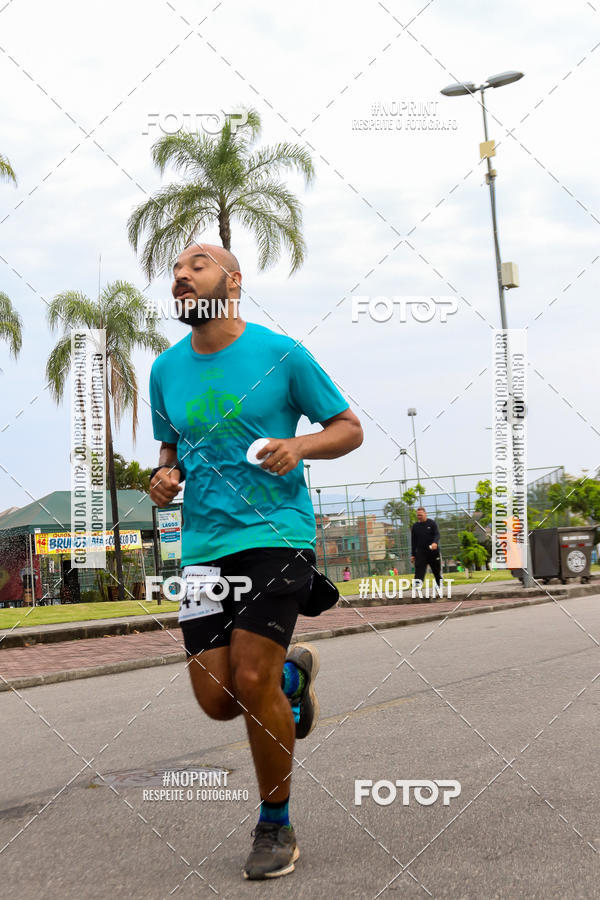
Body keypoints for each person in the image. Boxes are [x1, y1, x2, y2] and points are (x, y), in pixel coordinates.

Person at [149, 242, 363, 881]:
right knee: (217, 699)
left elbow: (347, 428)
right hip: (203, 548)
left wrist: (300, 446)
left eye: (197, 265)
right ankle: (291, 681)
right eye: (177, 271)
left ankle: (276, 826)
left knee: (247, 679)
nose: (183, 276)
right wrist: (163, 479)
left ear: (232, 282)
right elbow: (171, 452)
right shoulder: (164, 369)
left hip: (275, 532)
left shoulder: (281, 354)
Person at [410, 506, 442, 592]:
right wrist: (413, 554)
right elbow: (413, 541)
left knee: (436, 569)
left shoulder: (432, 523)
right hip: (421, 552)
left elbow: (437, 535)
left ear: (425, 514)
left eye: (420, 515)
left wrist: (435, 542)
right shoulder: (415, 526)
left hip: (432, 551)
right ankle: (417, 586)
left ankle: (439, 584)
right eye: (418, 515)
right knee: (419, 569)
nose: (419, 517)